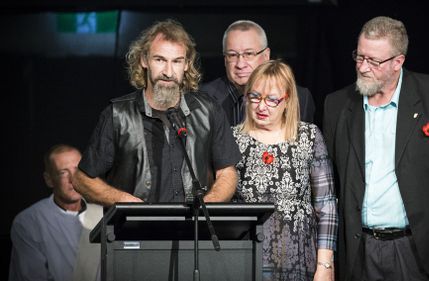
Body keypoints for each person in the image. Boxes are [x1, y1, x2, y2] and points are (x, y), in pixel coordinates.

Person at [322, 16, 429, 281]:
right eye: (359, 57)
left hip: (420, 249)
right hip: (360, 252)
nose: (363, 67)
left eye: (374, 61)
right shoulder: (337, 105)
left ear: (398, 62)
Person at [72, 19, 240, 206]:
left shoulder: (208, 110)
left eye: (176, 61)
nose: (168, 72)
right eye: (160, 60)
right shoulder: (118, 115)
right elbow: (81, 179)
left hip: (194, 232)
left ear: (186, 64)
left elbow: (227, 172)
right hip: (135, 232)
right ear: (144, 60)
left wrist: (206, 207)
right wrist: (123, 201)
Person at [232, 60, 338, 281]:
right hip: (248, 256)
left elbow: (326, 206)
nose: (261, 107)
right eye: (255, 97)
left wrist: (325, 264)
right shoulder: (233, 139)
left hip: (299, 258)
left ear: (287, 100)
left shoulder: (308, 136)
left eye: (271, 100)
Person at [9, 144, 102, 281]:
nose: (73, 180)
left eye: (78, 171)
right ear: (49, 180)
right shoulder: (28, 222)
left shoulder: (103, 216)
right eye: (63, 172)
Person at [201, 20, 316, 126]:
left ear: (266, 55)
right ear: (225, 59)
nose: (240, 64)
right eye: (232, 55)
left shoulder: (299, 98)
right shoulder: (202, 98)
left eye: (249, 54)